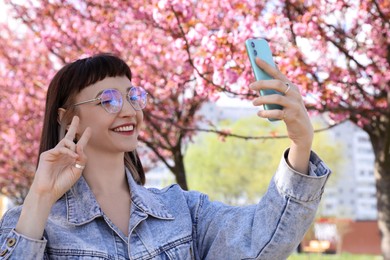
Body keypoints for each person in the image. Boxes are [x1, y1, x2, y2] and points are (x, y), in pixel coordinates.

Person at [0, 53, 330, 259]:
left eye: (133, 97)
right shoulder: (31, 224)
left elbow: (262, 243)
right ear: (65, 117)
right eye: (109, 101)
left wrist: (301, 145)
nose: (129, 111)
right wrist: (41, 197)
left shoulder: (183, 210)